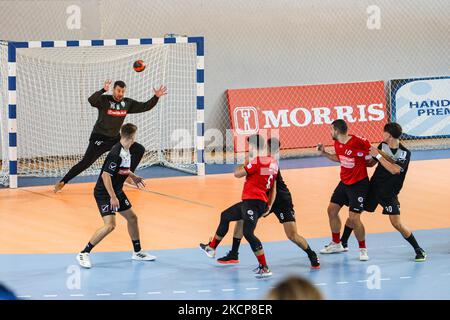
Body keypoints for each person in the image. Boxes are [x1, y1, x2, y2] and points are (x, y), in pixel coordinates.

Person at [217, 138, 320, 269]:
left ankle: (311, 254)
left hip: (281, 201)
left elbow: (273, 188)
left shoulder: (269, 163)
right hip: (264, 199)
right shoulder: (261, 160)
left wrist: (270, 206)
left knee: (292, 235)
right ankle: (233, 253)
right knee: (242, 217)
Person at [54, 80, 167, 192]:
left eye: (123, 91)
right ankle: (63, 181)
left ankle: (126, 176)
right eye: (118, 91)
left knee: (139, 149)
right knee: (86, 162)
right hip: (99, 138)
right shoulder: (105, 100)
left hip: (115, 139)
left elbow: (145, 106)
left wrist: (156, 97)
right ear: (113, 90)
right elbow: (91, 100)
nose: (120, 94)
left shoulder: (127, 103)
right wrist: (103, 90)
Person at [340, 122, 426, 262]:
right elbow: (372, 163)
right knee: (354, 214)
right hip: (374, 188)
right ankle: (343, 242)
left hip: (389, 193)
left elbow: (394, 170)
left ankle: (418, 249)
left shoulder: (404, 153)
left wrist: (379, 156)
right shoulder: (382, 145)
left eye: (384, 132)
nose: (382, 134)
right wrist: (354, 158)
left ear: (389, 135)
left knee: (396, 223)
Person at [76, 123, 156, 269]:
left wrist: (133, 176)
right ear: (132, 137)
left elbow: (122, 168)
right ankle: (84, 253)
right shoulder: (116, 152)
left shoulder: (126, 151)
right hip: (105, 192)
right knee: (110, 225)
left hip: (116, 190)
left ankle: (137, 252)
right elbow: (106, 176)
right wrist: (113, 197)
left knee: (132, 218)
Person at [199, 134, 278, 278]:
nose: (248, 148)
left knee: (248, 233)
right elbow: (272, 186)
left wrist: (245, 162)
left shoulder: (258, 162)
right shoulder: (272, 163)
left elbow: (237, 174)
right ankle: (212, 248)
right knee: (226, 215)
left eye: (250, 146)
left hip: (253, 202)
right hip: (256, 202)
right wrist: (269, 205)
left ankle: (265, 267)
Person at [317, 119, 371, 261]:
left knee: (354, 218)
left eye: (331, 130)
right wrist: (324, 153)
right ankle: (336, 243)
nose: (330, 132)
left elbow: (372, 158)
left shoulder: (359, 142)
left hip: (359, 184)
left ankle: (363, 249)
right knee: (331, 210)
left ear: (336, 130)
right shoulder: (337, 143)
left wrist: (368, 162)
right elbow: (340, 158)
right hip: (345, 182)